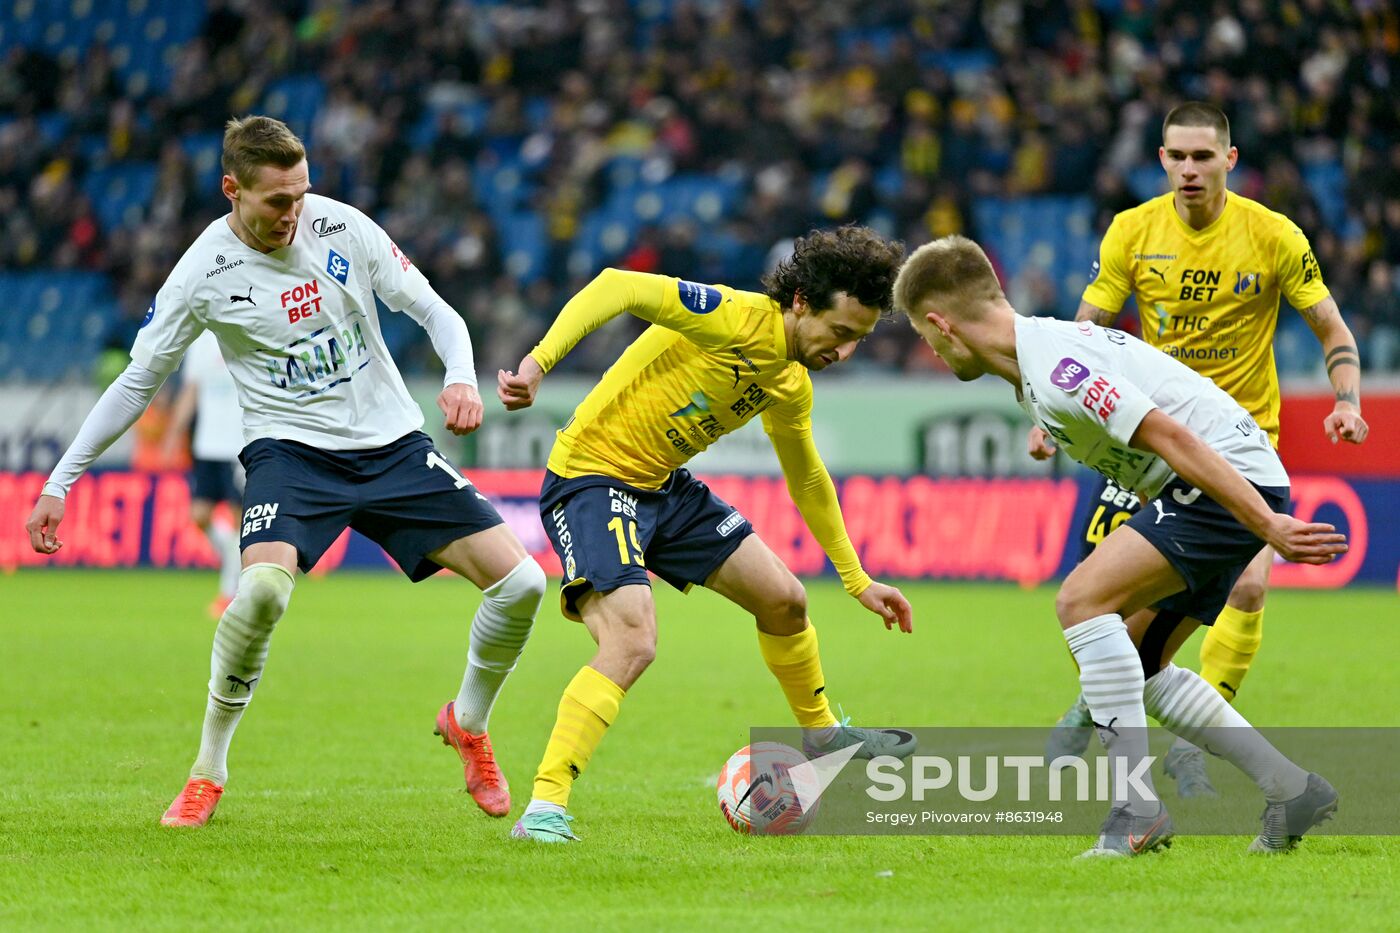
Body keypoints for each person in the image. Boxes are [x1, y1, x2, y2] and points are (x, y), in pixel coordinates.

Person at [24, 116, 546, 828]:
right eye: (277, 201)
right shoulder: (203, 272)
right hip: (291, 453)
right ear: (232, 190)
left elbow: (435, 310)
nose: (294, 213)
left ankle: (469, 723)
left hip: (393, 446)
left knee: (523, 583)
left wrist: (460, 377)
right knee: (262, 593)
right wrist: (60, 481)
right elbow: (136, 383)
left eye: (301, 194)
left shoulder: (341, 228)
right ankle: (208, 770)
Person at [896, 234, 1346, 857]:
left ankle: (1136, 810)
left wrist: (1266, 527)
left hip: (1217, 482)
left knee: (1080, 601)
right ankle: (1291, 788)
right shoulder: (1038, 367)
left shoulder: (1056, 370)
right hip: (1223, 483)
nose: (932, 350)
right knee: (1141, 663)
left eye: (924, 335)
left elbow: (1172, 436)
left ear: (942, 324)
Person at [497, 227, 917, 843]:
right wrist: (537, 365)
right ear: (801, 301)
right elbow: (617, 287)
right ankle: (545, 808)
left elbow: (806, 475)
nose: (845, 352)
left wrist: (855, 579)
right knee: (633, 639)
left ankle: (825, 735)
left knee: (786, 600)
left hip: (664, 488)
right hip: (591, 478)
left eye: (859, 338)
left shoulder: (789, 382)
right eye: (841, 332)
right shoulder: (730, 317)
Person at [1032, 102, 1369, 795]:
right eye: (1177, 157)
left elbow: (1331, 326)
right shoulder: (1132, 230)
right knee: (1100, 604)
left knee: (1247, 584)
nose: (1189, 170)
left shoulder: (1273, 235)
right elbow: (1086, 327)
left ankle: (1188, 742)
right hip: (1151, 438)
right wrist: (1046, 406)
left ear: (1230, 160)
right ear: (1160, 160)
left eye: (1202, 157)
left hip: (1243, 443)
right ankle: (1104, 703)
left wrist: (1347, 398)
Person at [162, 330, 245, 619]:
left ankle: (228, 594)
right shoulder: (201, 342)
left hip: (240, 444)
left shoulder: (245, 329)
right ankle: (238, 563)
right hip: (207, 444)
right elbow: (191, 391)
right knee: (199, 515)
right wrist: (173, 433)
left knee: (238, 520)